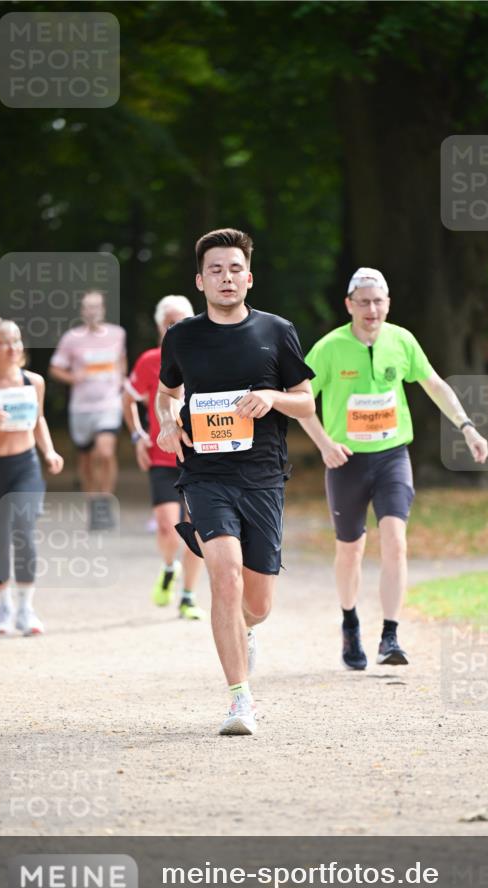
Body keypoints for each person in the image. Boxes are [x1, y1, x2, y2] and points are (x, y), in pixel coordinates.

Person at [155, 228, 315, 735]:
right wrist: (165, 421)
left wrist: (272, 398)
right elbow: (166, 394)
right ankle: (239, 700)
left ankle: (246, 631)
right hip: (205, 474)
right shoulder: (182, 336)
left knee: (258, 602)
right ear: (200, 280)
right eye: (216, 270)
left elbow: (307, 401)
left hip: (263, 475)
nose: (226, 278)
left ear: (249, 276)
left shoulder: (276, 330)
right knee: (224, 575)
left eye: (235, 269)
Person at [299, 267, 488, 671]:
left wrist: (467, 427)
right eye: (363, 302)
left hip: (392, 456)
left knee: (395, 541)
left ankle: (390, 634)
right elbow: (299, 399)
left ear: (388, 304)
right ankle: (350, 622)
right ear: (349, 305)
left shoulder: (402, 341)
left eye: (378, 301)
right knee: (350, 549)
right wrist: (324, 444)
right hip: (346, 461)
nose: (372, 309)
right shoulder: (329, 348)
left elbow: (435, 384)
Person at [0, 317, 64, 635]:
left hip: (26, 467)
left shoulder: (33, 382)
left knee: (24, 531)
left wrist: (48, 452)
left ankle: (26, 608)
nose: (13, 348)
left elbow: (38, 420)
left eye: (17, 341)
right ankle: (3, 604)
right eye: (5, 342)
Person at [122, 294, 206, 620]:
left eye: (183, 321)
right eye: (171, 322)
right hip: (161, 457)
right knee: (166, 528)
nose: (177, 327)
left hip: (199, 458)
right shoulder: (148, 361)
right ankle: (169, 567)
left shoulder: (204, 356)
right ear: (160, 327)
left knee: (197, 529)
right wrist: (137, 436)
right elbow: (127, 400)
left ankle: (188, 596)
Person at [49, 289, 126, 529]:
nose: (92, 311)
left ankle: (104, 503)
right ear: (82, 311)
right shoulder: (72, 338)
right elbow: (55, 368)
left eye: (97, 307)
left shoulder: (117, 334)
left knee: (105, 452)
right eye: (88, 307)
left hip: (108, 403)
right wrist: (74, 377)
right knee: (85, 459)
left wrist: (121, 380)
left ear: (103, 309)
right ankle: (92, 502)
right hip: (81, 408)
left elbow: (121, 361)